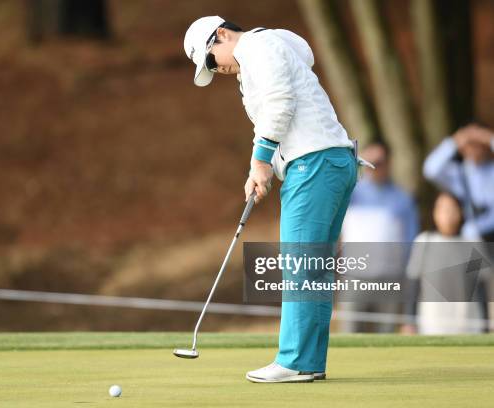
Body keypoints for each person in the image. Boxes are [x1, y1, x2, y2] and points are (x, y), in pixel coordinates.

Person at [184, 16, 359, 383]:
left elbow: (281, 102)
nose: (217, 69)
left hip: (313, 163)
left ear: (222, 35)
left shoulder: (257, 46)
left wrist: (260, 162)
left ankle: (294, 360)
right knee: (311, 267)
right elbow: (302, 58)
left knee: (298, 260)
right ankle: (307, 362)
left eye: (212, 60)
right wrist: (265, 168)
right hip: (330, 161)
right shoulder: (265, 48)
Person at [338, 141, 419, 333]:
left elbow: (410, 241)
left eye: (379, 162)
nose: (374, 168)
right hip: (354, 276)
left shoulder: (402, 198)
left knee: (386, 336)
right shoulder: (349, 193)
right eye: (369, 162)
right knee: (350, 335)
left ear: (389, 163)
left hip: (390, 278)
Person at [402, 192, 490, 334]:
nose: (447, 215)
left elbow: (480, 287)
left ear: (461, 212)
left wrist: (485, 322)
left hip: (468, 322)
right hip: (431, 322)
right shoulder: (424, 242)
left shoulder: (473, 243)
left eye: (452, 209)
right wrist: (409, 321)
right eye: (442, 209)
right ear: (434, 213)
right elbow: (414, 284)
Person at [423, 122, 494, 241]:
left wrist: (488, 137)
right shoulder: (460, 173)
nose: (474, 148)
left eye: (478, 143)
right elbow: (430, 170)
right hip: (476, 237)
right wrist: (455, 141)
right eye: (470, 144)